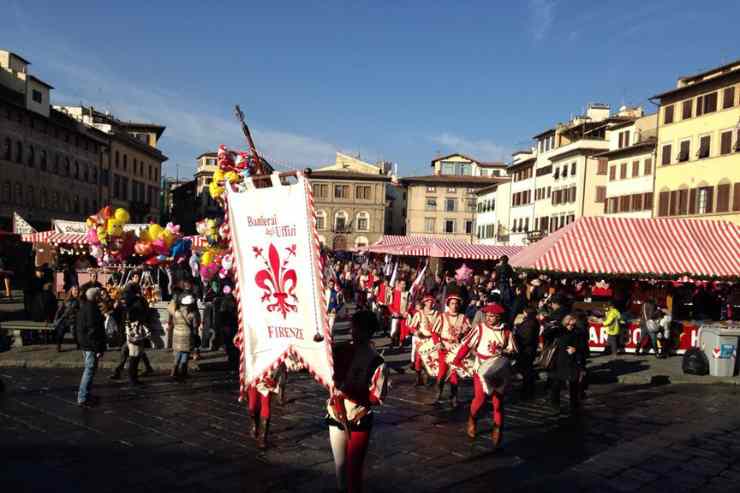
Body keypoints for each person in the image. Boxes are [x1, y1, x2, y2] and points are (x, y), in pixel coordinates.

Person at [327, 310, 389, 493]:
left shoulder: (377, 361)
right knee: (340, 466)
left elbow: (377, 397)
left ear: (369, 331)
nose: (356, 332)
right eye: (355, 327)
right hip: (335, 413)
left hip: (359, 417)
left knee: (354, 469)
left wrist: (349, 392)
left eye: (361, 329)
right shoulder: (339, 350)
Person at [453, 303, 517, 448]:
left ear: (499, 317)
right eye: (487, 315)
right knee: (480, 398)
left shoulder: (506, 332)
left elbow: (512, 350)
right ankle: (472, 419)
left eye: (493, 316)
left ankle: (497, 429)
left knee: (498, 402)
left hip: (499, 369)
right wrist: (458, 359)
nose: (489, 318)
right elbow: (467, 345)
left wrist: (505, 351)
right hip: (481, 367)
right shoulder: (480, 329)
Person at [543, 314, 588, 414]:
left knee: (574, 383)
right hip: (558, 360)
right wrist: (553, 326)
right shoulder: (558, 330)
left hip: (573, 361)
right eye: (568, 324)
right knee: (556, 383)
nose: (570, 326)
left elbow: (584, 348)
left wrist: (576, 350)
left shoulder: (578, 332)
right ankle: (555, 403)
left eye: (572, 324)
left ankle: (574, 403)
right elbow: (545, 335)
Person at [433, 288, 471, 406]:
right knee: (442, 373)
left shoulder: (464, 318)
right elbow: (434, 332)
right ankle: (438, 395)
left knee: (454, 374)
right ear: (448, 304)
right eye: (452, 303)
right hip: (444, 348)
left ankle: (454, 397)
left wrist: (465, 332)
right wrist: (438, 343)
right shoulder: (442, 317)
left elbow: (469, 333)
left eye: (456, 304)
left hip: (456, 349)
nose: (454, 306)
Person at [76, 288, 106, 407]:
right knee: (89, 370)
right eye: (99, 295)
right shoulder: (91, 309)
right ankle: (82, 397)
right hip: (90, 345)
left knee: (90, 369)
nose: (100, 297)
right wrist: (97, 348)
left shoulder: (86, 307)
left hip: (86, 343)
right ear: (95, 297)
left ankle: (86, 394)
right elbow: (93, 331)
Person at [407, 294, 440, 386]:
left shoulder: (437, 314)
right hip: (421, 340)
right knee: (418, 360)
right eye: (428, 301)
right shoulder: (419, 314)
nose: (430, 303)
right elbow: (412, 327)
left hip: (432, 340)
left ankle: (430, 378)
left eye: (431, 302)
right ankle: (419, 378)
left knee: (432, 360)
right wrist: (416, 332)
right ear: (424, 303)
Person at [170, 294, 200, 381]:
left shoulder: (176, 312)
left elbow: (174, 323)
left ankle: (174, 371)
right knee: (185, 353)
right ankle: (183, 372)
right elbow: (195, 326)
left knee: (179, 352)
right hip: (187, 335)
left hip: (177, 334)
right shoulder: (192, 314)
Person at [515, 307, 540, 400]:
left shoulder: (529, 323)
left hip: (526, 350)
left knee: (526, 370)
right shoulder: (532, 322)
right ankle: (527, 388)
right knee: (526, 369)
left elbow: (526, 338)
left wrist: (517, 336)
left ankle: (527, 390)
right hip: (529, 349)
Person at [218, 286, 239, 373]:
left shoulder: (234, 301)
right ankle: (233, 367)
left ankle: (234, 366)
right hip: (229, 327)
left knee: (234, 348)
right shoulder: (228, 301)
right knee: (231, 348)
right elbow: (223, 315)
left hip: (232, 326)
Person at [53, 286, 80, 352]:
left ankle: (79, 344)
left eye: (77, 290)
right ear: (71, 291)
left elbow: (81, 311)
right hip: (65, 319)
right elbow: (59, 310)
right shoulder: (66, 300)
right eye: (75, 290)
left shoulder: (79, 300)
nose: (76, 291)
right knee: (61, 329)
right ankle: (58, 345)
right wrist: (56, 319)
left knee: (73, 330)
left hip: (74, 320)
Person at [388, 278, 410, 347]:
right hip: (396, 315)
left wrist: (407, 312)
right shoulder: (394, 293)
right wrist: (393, 312)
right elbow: (390, 304)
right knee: (394, 329)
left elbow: (410, 304)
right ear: (399, 284)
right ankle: (392, 341)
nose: (403, 285)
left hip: (403, 315)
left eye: (404, 284)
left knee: (402, 330)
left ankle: (401, 342)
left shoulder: (408, 293)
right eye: (402, 284)